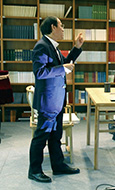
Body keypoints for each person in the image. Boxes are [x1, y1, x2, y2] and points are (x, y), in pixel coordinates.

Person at [28, 16, 84, 183]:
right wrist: (62, 69)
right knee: (41, 136)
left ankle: (58, 166)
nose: (63, 28)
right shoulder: (42, 47)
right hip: (48, 101)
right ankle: (34, 170)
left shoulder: (53, 47)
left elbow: (64, 64)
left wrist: (76, 48)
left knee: (55, 136)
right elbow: (40, 72)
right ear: (52, 27)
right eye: (61, 25)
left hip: (57, 100)